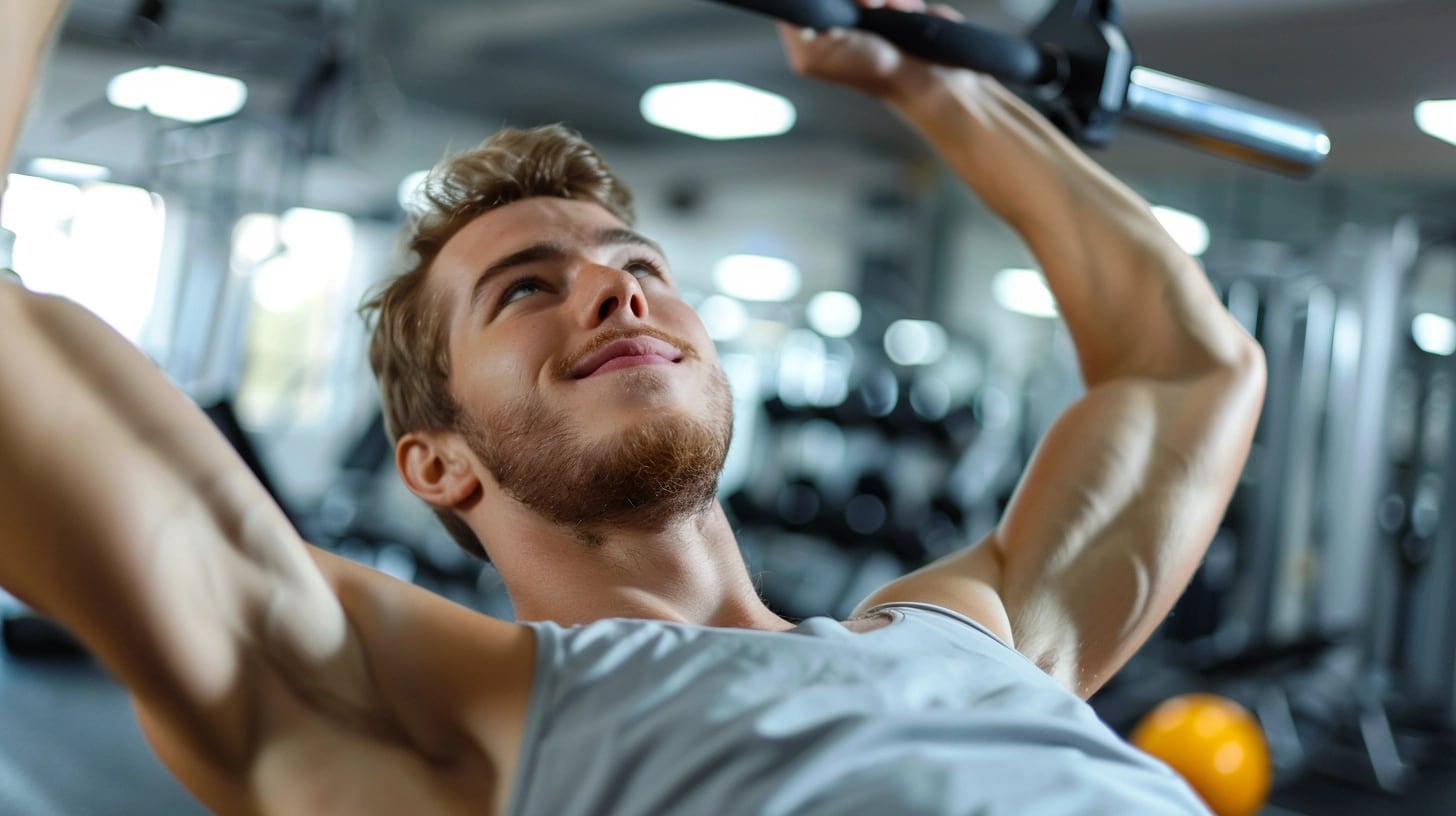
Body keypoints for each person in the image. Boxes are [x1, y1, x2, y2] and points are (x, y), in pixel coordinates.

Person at [0, 0, 1266, 813]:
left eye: (640, 264)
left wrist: (932, 88)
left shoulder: (978, 634)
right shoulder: (447, 722)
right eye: (524, 290)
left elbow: (1186, 373)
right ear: (435, 464)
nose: (614, 288)